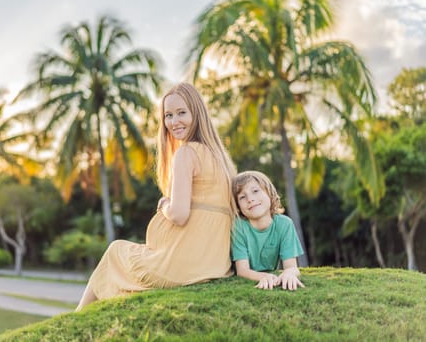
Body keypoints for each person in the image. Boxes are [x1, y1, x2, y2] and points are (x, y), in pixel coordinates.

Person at [75, 82, 237, 311]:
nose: (174, 122)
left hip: (184, 266)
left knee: (115, 251)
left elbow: (180, 215)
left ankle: (77, 317)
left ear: (197, 113)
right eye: (168, 115)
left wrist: (165, 205)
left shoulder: (186, 153)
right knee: (126, 254)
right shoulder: (221, 159)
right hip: (215, 265)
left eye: (182, 113)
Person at [231, 170, 305, 290]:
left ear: (270, 193)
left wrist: (289, 274)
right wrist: (264, 276)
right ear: (238, 206)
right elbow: (242, 270)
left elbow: (291, 266)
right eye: (242, 197)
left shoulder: (285, 224)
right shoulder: (238, 227)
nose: (250, 199)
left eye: (255, 191)